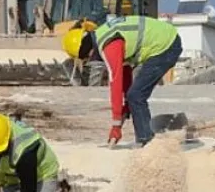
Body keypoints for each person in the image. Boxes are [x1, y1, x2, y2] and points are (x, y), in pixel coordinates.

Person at [62, 16, 183, 147]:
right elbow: (125, 75)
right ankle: (144, 138)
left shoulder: (109, 44)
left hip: (165, 46)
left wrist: (116, 125)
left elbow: (116, 82)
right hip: (166, 41)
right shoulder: (105, 34)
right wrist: (125, 107)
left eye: (85, 57)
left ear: (86, 50)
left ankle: (147, 142)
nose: (89, 60)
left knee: (136, 95)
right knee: (134, 95)